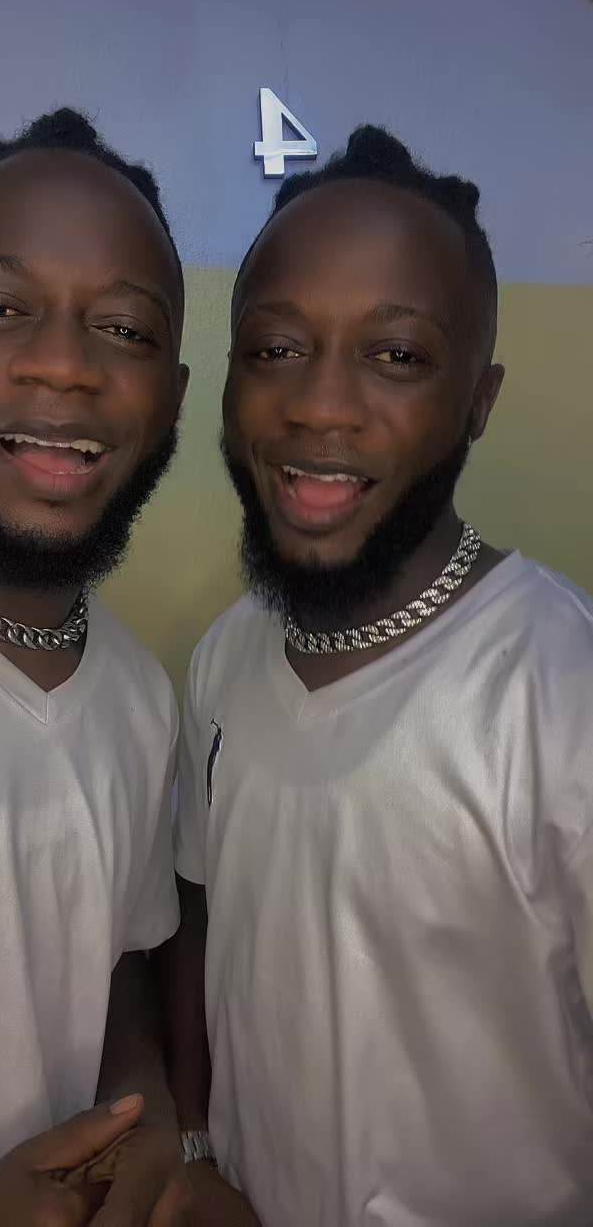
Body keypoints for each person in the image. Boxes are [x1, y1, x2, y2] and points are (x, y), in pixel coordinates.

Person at [167, 127, 593, 1225]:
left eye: (396, 356)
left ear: (479, 400)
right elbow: (202, 928)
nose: (320, 406)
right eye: (275, 348)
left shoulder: (561, 689)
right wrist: (196, 1145)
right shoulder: (223, 660)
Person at [0, 106, 197, 1224]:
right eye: (0, 309)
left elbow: (109, 960)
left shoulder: (141, 699)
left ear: (175, 397)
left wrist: (147, 1104)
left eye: (123, 328)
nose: (64, 365)